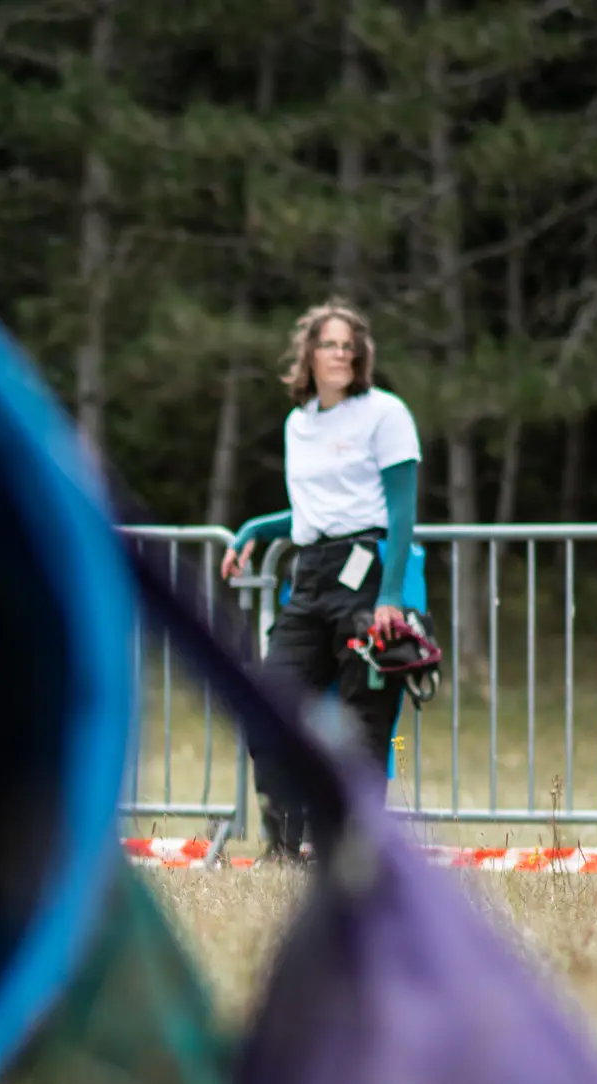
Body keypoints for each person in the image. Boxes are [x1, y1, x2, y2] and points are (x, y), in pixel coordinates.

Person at [220, 299, 421, 860]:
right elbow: (311, 511)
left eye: (349, 345)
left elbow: (400, 513)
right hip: (310, 575)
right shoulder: (298, 424)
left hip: (368, 571)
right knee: (272, 712)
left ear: (361, 356)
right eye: (329, 344)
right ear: (308, 353)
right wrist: (255, 529)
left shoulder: (386, 414)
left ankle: (355, 853)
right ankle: (284, 849)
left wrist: (390, 597)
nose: (340, 354)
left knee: (363, 725)